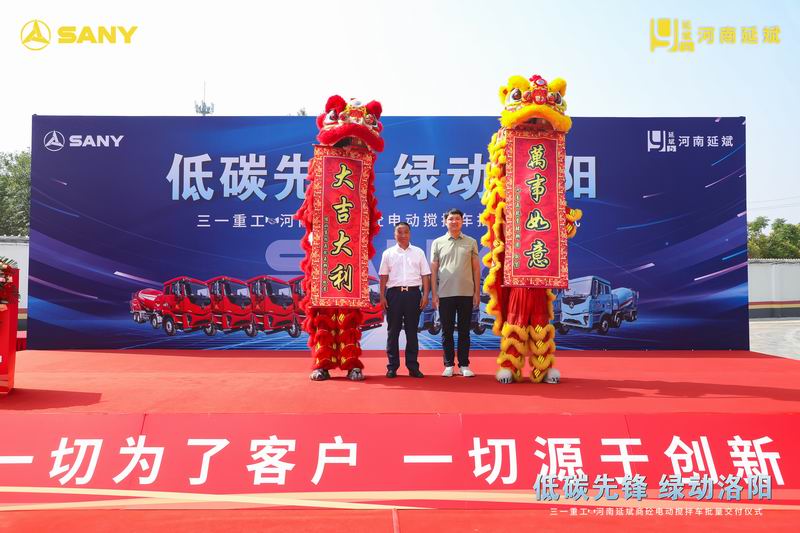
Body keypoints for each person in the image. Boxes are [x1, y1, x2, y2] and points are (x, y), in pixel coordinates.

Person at [430, 209, 481, 377]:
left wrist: (477, 292)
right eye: (451, 219)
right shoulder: (438, 243)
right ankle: (449, 365)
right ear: (445, 222)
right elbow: (434, 270)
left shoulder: (471, 242)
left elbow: (476, 269)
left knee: (465, 331)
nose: (454, 222)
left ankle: (464, 365)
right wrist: (434, 293)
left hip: (466, 293)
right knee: (447, 331)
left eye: (457, 219)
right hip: (445, 294)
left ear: (462, 221)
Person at [378, 222, 431, 378]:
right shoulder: (388, 253)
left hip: (413, 295)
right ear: (394, 235)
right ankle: (392, 366)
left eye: (405, 232)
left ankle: (413, 366)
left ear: (410, 234)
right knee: (392, 332)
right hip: (393, 295)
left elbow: (425, 275)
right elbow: (383, 276)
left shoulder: (418, 252)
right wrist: (382, 296)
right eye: (399, 232)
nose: (402, 235)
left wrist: (425, 295)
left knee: (412, 332)